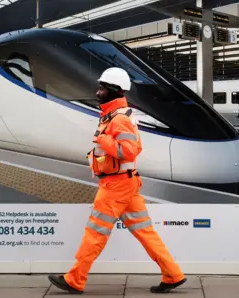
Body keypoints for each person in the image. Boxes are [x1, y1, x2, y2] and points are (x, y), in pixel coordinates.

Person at [48, 67, 187, 294]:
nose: (98, 90)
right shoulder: (115, 116)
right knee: (145, 231)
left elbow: (130, 151)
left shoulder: (119, 119)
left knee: (95, 232)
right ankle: (173, 274)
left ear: (114, 90)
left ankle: (74, 279)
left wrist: (103, 141)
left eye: (102, 87)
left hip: (116, 185)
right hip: (125, 183)